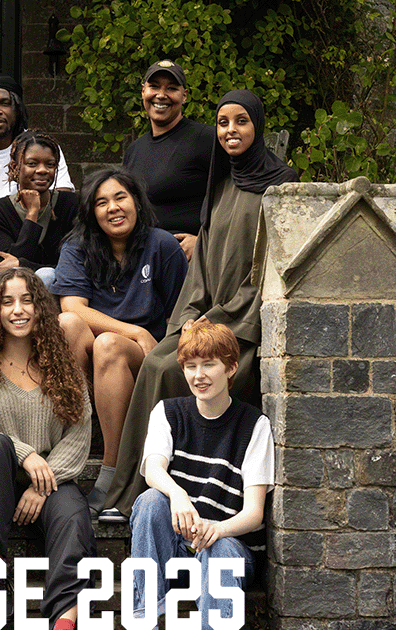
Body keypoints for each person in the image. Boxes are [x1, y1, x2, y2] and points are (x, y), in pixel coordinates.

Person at [103, 89, 297, 517]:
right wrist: (191, 314)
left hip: (244, 325)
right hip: (206, 314)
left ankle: (154, 489)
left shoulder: (282, 186)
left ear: (257, 126)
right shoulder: (222, 181)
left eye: (241, 121)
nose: (231, 131)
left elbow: (273, 270)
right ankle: (131, 490)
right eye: (223, 123)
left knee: (171, 369)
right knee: (156, 361)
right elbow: (204, 261)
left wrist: (221, 316)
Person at [0, 268, 94, 630]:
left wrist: (42, 483)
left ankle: (64, 620)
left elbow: (78, 435)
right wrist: (24, 454)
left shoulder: (64, 368)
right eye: (8, 302)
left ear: (40, 309)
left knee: (74, 518)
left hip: (50, 478)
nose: (18, 310)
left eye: (27, 301)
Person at [51, 167, 188, 521]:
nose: (112, 208)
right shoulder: (77, 247)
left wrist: (143, 338)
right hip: (102, 355)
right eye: (101, 202)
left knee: (109, 345)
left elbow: (180, 315)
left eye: (120, 197)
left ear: (137, 203)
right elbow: (72, 307)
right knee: (67, 325)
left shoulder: (162, 245)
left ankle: (112, 473)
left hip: (147, 358)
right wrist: (133, 330)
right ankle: (76, 429)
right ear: (91, 213)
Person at [129, 321, 273, 629]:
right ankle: (145, 620)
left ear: (231, 368)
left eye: (209, 365)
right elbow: (153, 468)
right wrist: (178, 494)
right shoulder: (168, 412)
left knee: (219, 550)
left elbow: (253, 513)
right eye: (190, 366)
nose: (199, 375)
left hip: (228, 551)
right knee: (151, 500)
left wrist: (217, 530)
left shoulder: (254, 425)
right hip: (177, 552)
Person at [122, 59, 215, 261]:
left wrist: (204, 240)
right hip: (140, 255)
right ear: (143, 91)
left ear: (184, 96)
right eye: (154, 87)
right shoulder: (134, 150)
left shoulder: (205, 139)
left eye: (171, 88)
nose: (161, 95)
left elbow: (236, 193)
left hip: (184, 259)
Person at [0, 73, 73, 210]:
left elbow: (63, 197)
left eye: (5, 103)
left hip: (26, 227)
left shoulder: (40, 145)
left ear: (17, 109)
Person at [0, 131, 79, 287]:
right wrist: (32, 213)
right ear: (15, 167)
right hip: (14, 296)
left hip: (62, 290)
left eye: (50, 164)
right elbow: (8, 272)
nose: (42, 170)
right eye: (32, 163)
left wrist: (23, 263)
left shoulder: (72, 204)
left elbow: (76, 265)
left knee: (46, 275)